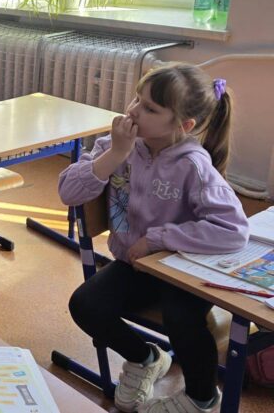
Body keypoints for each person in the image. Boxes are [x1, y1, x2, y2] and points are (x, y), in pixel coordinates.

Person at [60, 63, 248, 413]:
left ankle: (202, 398)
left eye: (150, 108)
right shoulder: (116, 144)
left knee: (182, 319)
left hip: (182, 268)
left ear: (184, 125)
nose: (133, 111)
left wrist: (159, 238)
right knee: (85, 305)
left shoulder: (193, 164)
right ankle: (146, 357)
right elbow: (68, 192)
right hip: (136, 265)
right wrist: (115, 153)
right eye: (137, 99)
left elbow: (233, 230)